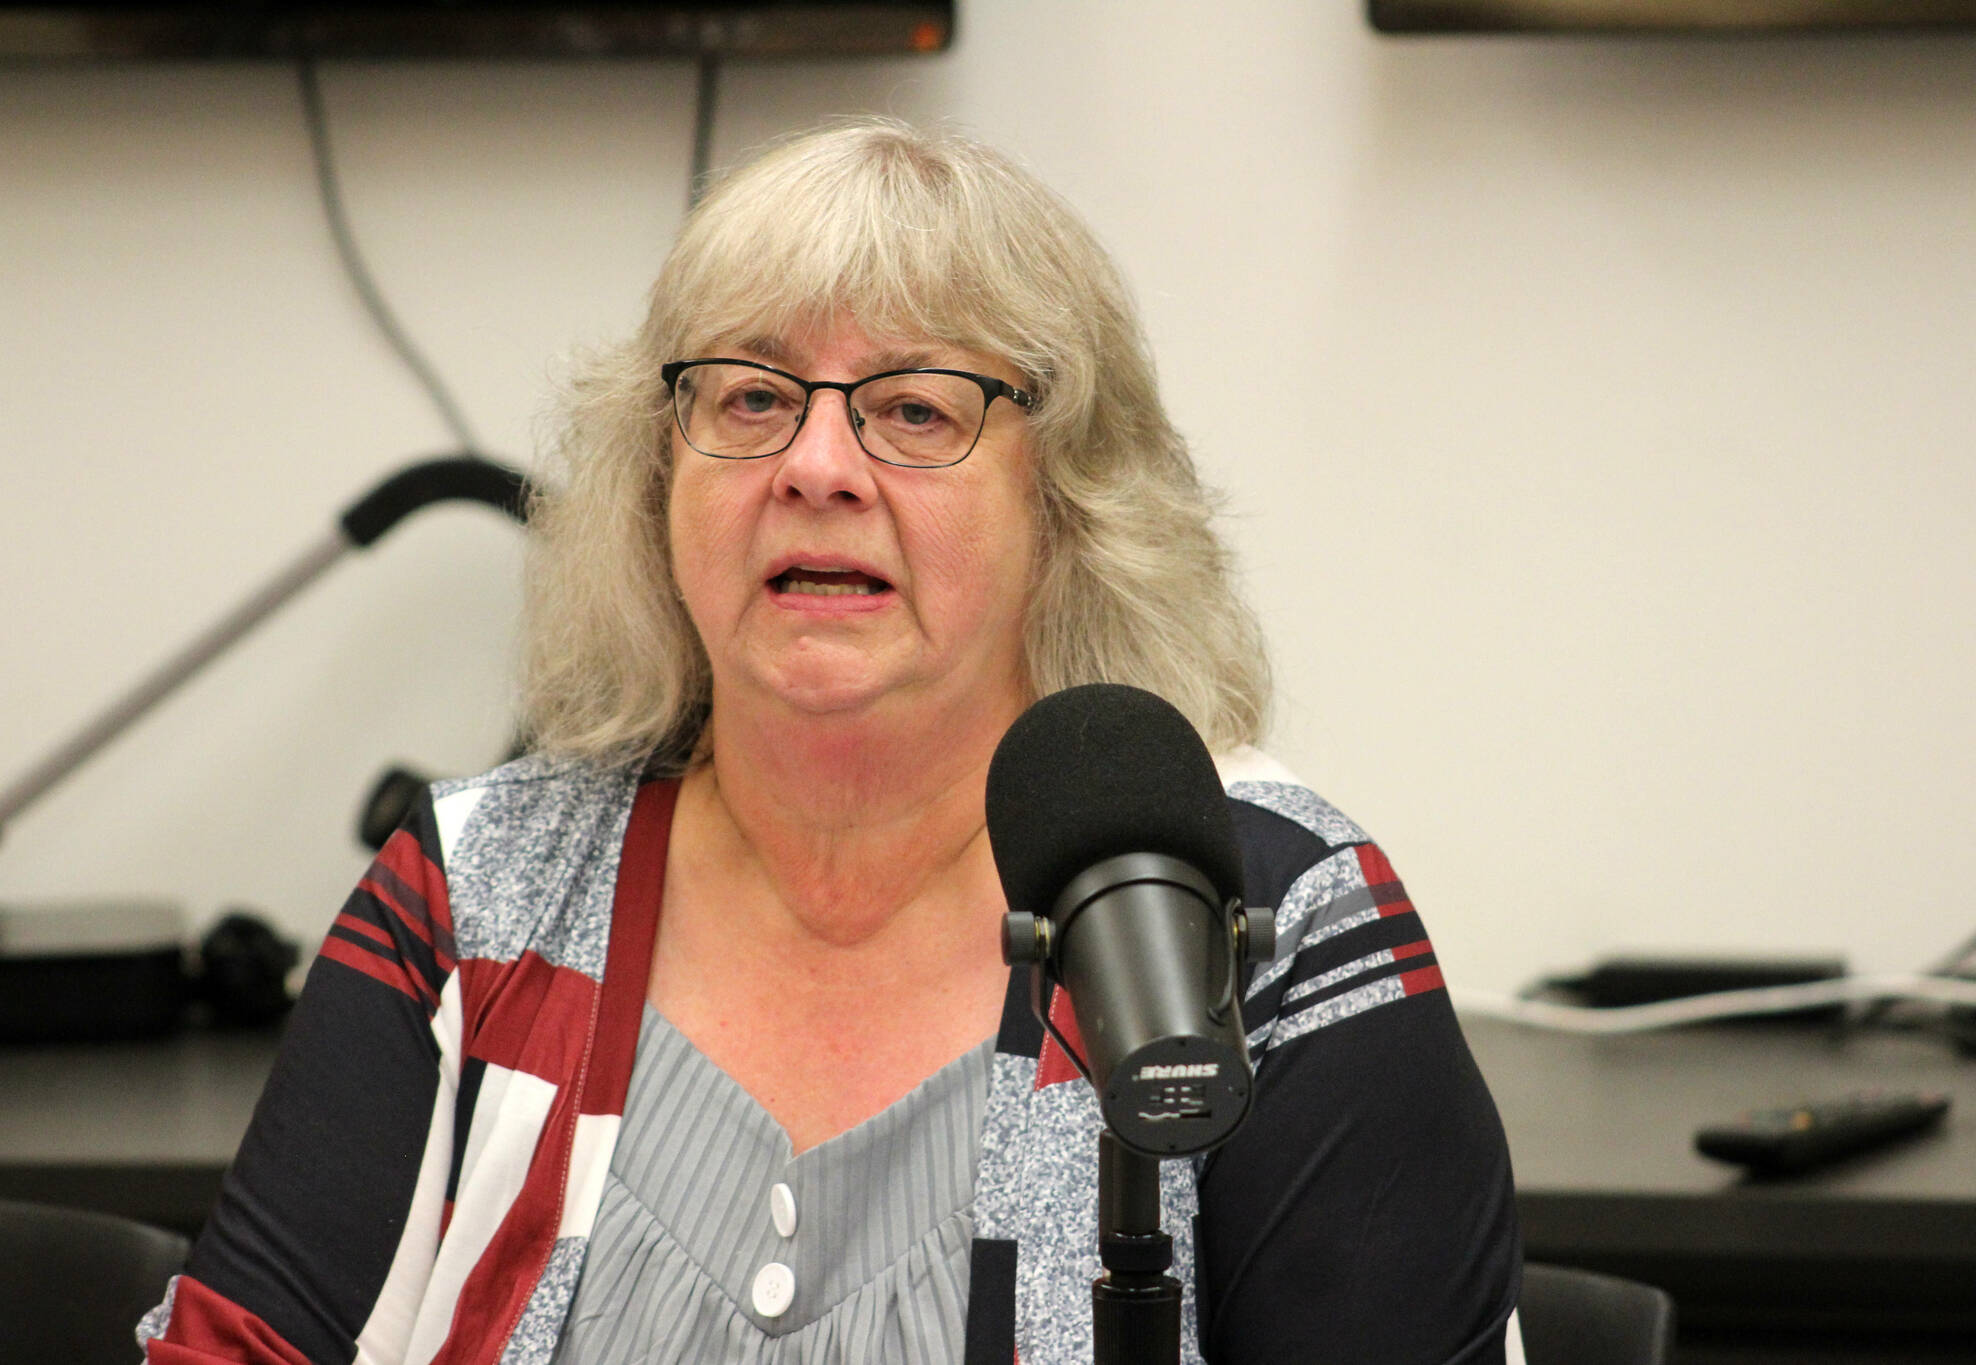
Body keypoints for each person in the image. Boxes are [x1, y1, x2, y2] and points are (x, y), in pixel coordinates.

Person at [138, 118, 1520, 1365]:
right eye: (749, 398)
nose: (814, 465)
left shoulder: (1265, 913)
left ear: (1070, 499)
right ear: (656, 481)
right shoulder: (478, 892)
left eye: (916, 408)